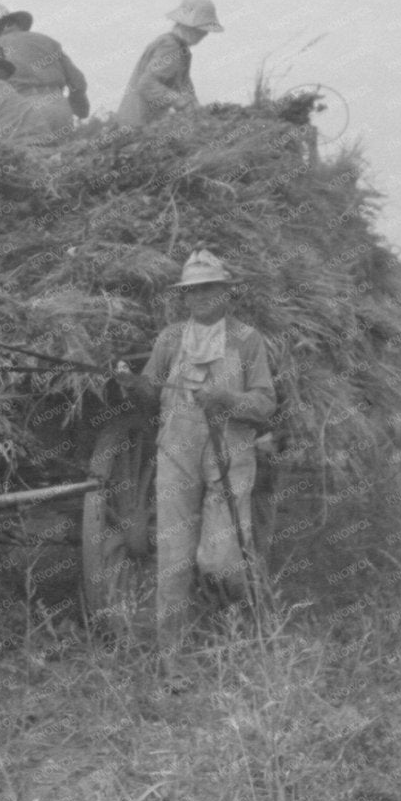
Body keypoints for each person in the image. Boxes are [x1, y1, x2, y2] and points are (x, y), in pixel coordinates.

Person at [123, 249, 277, 649]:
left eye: (209, 289)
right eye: (192, 291)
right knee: (173, 560)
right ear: (183, 297)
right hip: (177, 455)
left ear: (226, 293)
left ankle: (241, 620)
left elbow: (264, 404)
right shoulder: (171, 338)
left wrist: (226, 396)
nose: (200, 297)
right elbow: (148, 390)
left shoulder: (247, 340)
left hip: (230, 456)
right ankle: (170, 656)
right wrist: (128, 384)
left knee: (220, 561)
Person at [116, 0, 223, 128]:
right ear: (190, 26)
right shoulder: (170, 46)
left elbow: (185, 89)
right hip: (137, 126)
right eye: (203, 29)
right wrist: (180, 101)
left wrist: (196, 110)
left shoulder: (182, 51)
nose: (205, 34)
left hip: (146, 125)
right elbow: (146, 84)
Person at [0, 5, 91, 125]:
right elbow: (78, 81)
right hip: (59, 109)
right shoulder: (48, 41)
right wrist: (79, 109)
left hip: (21, 113)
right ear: (17, 23)